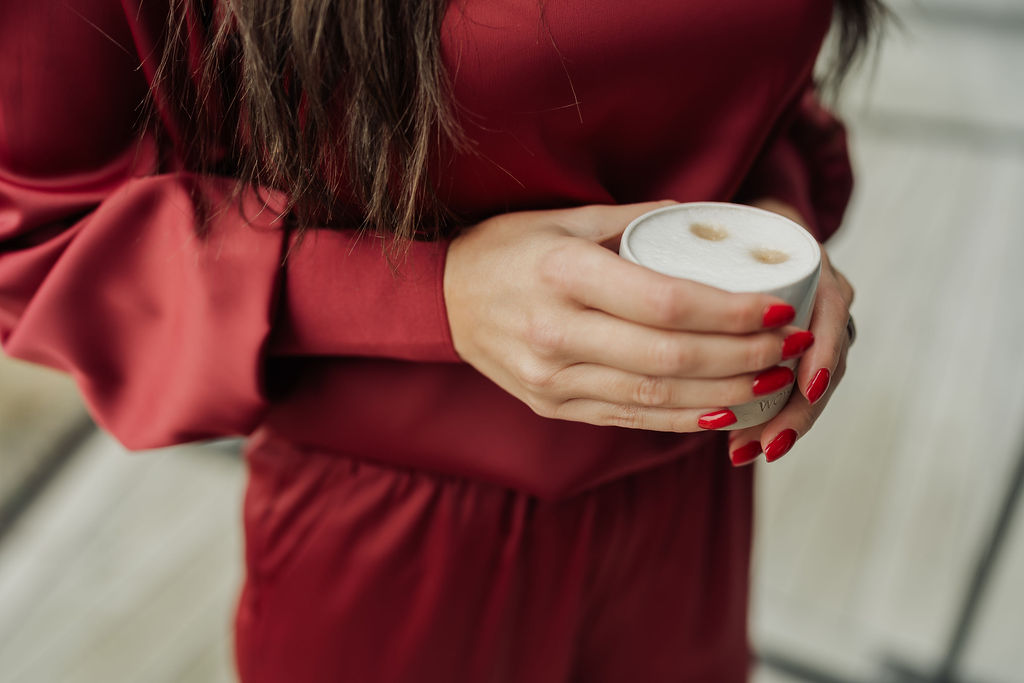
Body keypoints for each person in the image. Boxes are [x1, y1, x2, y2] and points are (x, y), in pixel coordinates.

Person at [0, 1, 882, 680]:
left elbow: (755, 87)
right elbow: (38, 231)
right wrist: (436, 295)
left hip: (693, 504)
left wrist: (770, 235)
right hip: (396, 553)